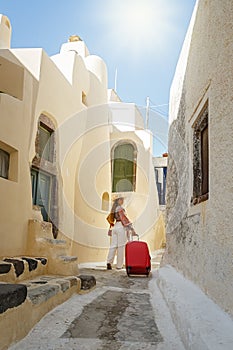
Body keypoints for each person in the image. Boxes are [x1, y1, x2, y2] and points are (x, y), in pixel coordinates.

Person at [106, 196, 134, 270]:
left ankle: (109, 262)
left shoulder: (114, 208)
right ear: (118, 200)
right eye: (121, 199)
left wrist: (110, 228)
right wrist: (131, 227)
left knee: (113, 245)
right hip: (121, 227)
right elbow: (124, 219)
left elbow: (110, 219)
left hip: (115, 227)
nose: (123, 201)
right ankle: (119, 265)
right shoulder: (120, 208)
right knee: (121, 246)